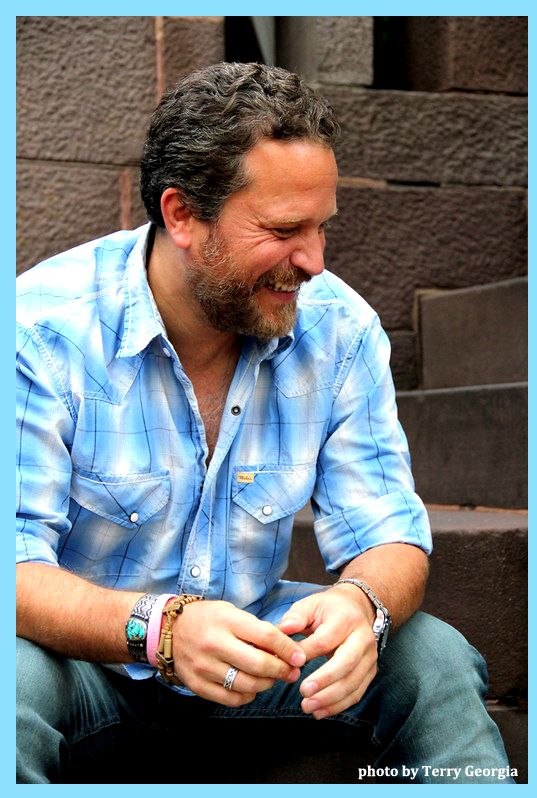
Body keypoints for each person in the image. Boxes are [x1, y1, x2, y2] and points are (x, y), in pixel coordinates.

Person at [16, 61, 515, 784]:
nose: (313, 261)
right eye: (284, 229)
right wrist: (162, 628)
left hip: (264, 657)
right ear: (182, 215)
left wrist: (363, 605)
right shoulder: (39, 331)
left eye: (321, 227)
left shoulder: (339, 329)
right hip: (86, 667)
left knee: (433, 657)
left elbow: (388, 533)